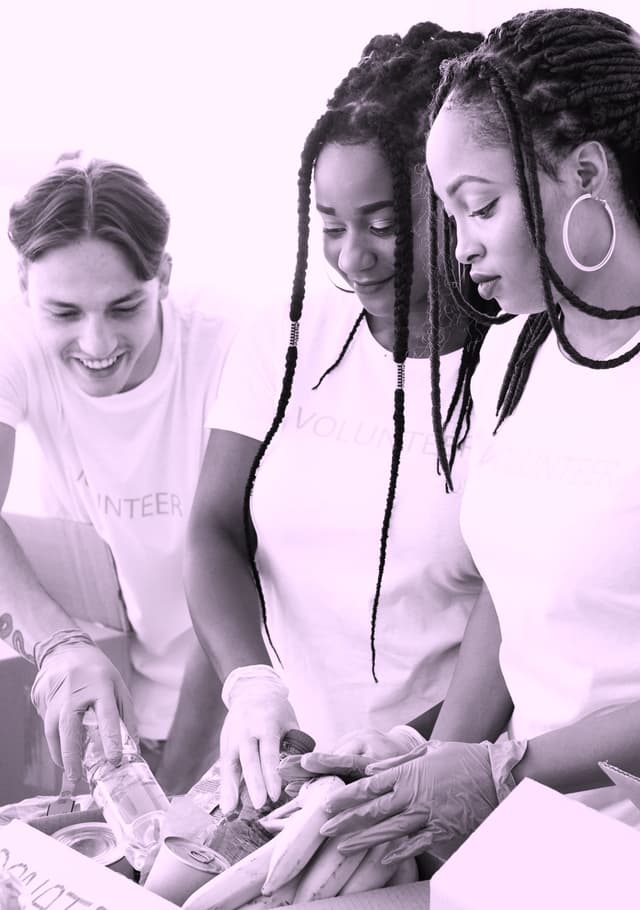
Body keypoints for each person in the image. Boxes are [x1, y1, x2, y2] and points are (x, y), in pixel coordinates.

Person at [312, 7, 640, 865]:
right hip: (539, 841)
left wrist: (499, 769)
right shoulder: (516, 351)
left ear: (587, 174)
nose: (461, 252)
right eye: (449, 216)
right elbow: (513, 590)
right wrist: (427, 772)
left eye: (480, 206)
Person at [185, 21, 487, 817]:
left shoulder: (515, 370)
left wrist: (410, 747)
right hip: (285, 775)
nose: (353, 257)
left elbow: (530, 627)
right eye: (329, 226)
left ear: (454, 198)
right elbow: (213, 529)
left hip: (440, 779)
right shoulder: (285, 338)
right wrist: (250, 683)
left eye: (385, 224)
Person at [0, 156, 233, 794]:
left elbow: (244, 567)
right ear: (24, 285)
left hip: (234, 708)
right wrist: (57, 645)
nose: (97, 344)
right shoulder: (15, 344)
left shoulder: (228, 352)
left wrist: (181, 776)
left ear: (163, 275)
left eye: (125, 307)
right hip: (112, 693)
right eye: (65, 313)